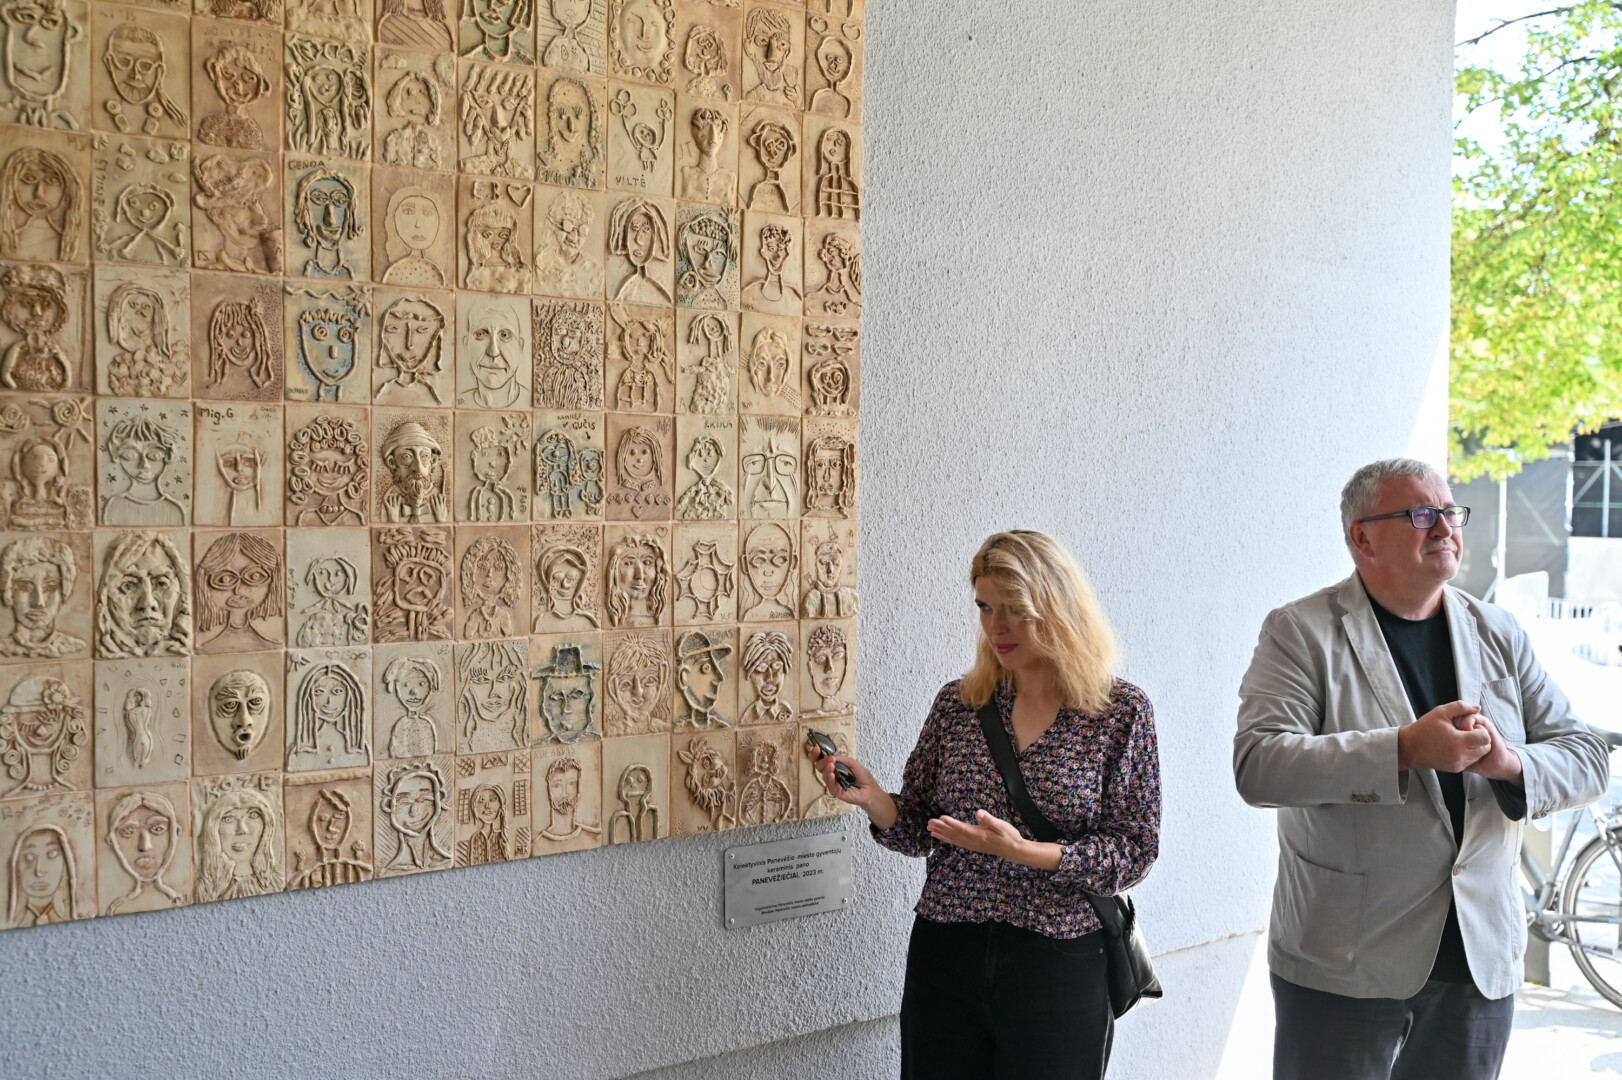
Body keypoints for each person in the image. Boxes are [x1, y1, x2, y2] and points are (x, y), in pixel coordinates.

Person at [1234, 458, 1610, 1080]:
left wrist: (1510, 763)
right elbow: (1260, 765)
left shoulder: (1497, 631)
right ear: (1362, 538)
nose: (1444, 527)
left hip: (1477, 960)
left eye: (1450, 512)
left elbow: (1586, 755)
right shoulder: (1300, 631)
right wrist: (1402, 749)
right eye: (1420, 514)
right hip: (1344, 958)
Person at [815, 530, 1160, 1079]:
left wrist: (1028, 853)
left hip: (1059, 958)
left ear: (1055, 606)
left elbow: (1134, 850)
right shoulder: (959, 704)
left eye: (1014, 609)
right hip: (948, 950)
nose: (996, 627)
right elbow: (921, 828)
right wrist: (874, 800)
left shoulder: (1120, 713)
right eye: (984, 607)